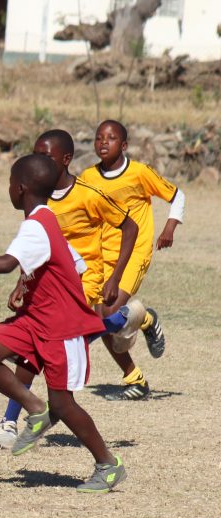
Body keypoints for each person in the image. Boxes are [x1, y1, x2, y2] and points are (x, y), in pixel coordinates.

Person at [0, 154, 125, 493]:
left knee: (64, 404)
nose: (8, 189)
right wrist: (27, 282)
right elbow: (73, 263)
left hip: (61, 327)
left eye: (8, 183)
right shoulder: (45, 218)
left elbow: (5, 263)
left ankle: (108, 463)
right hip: (34, 319)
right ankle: (35, 409)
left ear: (20, 189)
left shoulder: (36, 225)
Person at [0, 129, 137, 449]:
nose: (38, 161)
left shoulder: (88, 194)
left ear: (65, 160)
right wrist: (22, 283)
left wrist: (115, 279)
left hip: (83, 281)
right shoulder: (37, 199)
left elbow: (130, 226)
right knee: (37, 349)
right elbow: (36, 250)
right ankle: (120, 320)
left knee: (34, 351)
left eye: (46, 156)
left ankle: (11, 421)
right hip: (48, 281)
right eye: (35, 154)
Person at [77, 119, 181, 400]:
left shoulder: (139, 173)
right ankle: (136, 378)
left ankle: (143, 317)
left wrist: (170, 226)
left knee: (109, 312)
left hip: (134, 252)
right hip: (101, 256)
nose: (103, 143)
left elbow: (176, 194)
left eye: (110, 138)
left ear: (123, 145)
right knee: (98, 319)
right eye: (99, 138)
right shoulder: (87, 177)